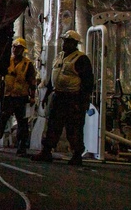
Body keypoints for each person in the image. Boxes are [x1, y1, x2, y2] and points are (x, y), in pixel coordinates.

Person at [33, 29, 94, 166]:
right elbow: (52, 78)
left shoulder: (81, 59)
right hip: (58, 96)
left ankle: (77, 154)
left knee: (74, 128)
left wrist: (82, 101)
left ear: (74, 43)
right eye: (64, 41)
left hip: (72, 98)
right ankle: (47, 151)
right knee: (53, 125)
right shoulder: (59, 56)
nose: (64, 44)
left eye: (67, 41)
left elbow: (88, 82)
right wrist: (47, 95)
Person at [0, 37, 37, 156]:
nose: (15, 49)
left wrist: (32, 96)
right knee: (0, 120)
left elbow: (32, 82)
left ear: (22, 50)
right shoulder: (7, 62)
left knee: (22, 123)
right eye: (14, 47)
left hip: (21, 97)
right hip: (7, 96)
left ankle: (21, 147)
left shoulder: (27, 64)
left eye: (18, 48)